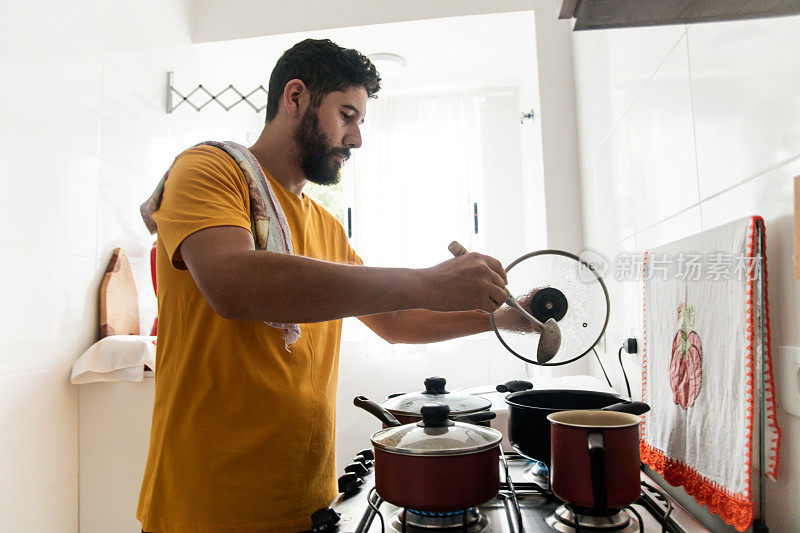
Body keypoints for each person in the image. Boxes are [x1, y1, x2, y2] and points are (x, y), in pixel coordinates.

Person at [137, 38, 528, 532]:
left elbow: (396, 321)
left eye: (360, 121)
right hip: (207, 505)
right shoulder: (209, 170)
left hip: (306, 502)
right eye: (347, 115)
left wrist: (505, 318)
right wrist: (426, 281)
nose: (357, 138)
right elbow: (232, 282)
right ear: (295, 98)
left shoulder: (326, 226)